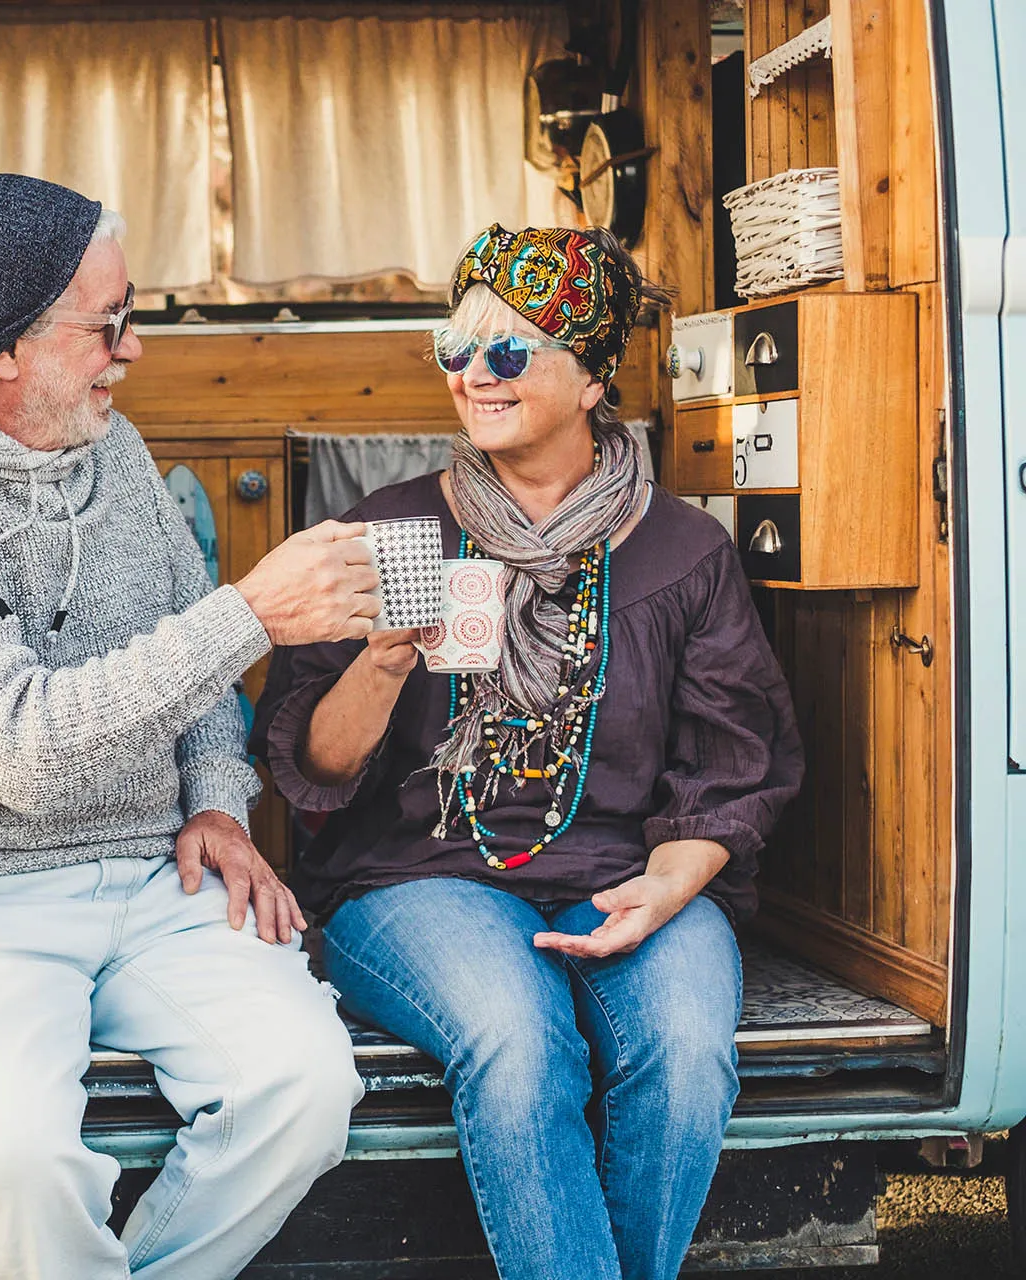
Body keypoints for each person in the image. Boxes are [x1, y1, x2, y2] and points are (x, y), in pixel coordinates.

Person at [252, 224, 804, 1280]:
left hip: (627, 876)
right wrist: (379, 663)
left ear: (594, 374)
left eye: (509, 353)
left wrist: (668, 882)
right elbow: (314, 776)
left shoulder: (685, 552)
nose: (472, 375)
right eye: (455, 349)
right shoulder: (391, 531)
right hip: (418, 877)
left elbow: (735, 767)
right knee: (518, 1040)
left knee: (687, 1053)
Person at [0, 162, 369, 1280]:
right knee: (17, 1160)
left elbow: (197, 687)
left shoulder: (118, 455)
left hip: (155, 878)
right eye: (110, 323)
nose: (133, 348)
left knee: (310, 1088)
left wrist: (222, 805)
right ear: (3, 350)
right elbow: (26, 750)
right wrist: (250, 614)